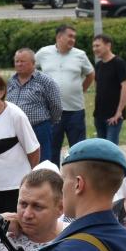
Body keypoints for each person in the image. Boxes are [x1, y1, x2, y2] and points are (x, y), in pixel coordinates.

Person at [0, 73, 40, 215]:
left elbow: (33, 150)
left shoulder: (15, 115)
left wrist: (28, 181)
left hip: (16, 186)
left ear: (2, 92)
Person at [36, 25, 95, 165]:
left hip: (75, 111)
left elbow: (90, 74)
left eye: (74, 37)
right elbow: (31, 68)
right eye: (70, 36)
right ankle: (54, 181)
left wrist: (81, 90)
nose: (73, 39)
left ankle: (76, 180)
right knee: (52, 149)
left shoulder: (80, 55)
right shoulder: (44, 53)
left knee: (78, 149)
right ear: (59, 37)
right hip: (52, 112)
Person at [7, 48, 63, 164]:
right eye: (17, 61)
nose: (19, 64)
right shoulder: (10, 81)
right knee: (19, 163)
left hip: (39, 129)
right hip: (15, 131)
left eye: (23, 61)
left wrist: (48, 123)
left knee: (42, 163)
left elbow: (56, 106)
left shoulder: (46, 81)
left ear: (33, 63)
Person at [91, 34, 126, 144]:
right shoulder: (98, 65)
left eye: (98, 46)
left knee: (111, 149)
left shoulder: (118, 63)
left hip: (114, 116)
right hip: (99, 115)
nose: (95, 49)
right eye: (93, 46)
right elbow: (97, 87)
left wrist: (119, 112)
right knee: (101, 147)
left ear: (108, 45)